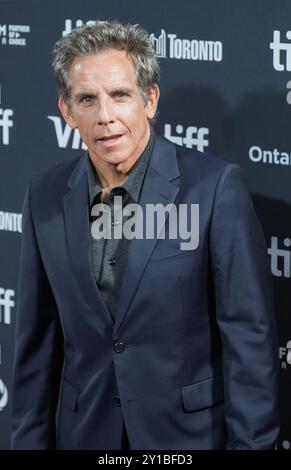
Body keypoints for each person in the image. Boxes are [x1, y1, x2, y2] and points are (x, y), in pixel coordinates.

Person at [11, 20, 279, 450]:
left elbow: (248, 340)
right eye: (87, 99)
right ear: (66, 111)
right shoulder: (44, 195)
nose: (105, 116)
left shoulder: (213, 189)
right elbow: (35, 346)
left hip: (188, 441)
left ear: (150, 100)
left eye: (120, 95)